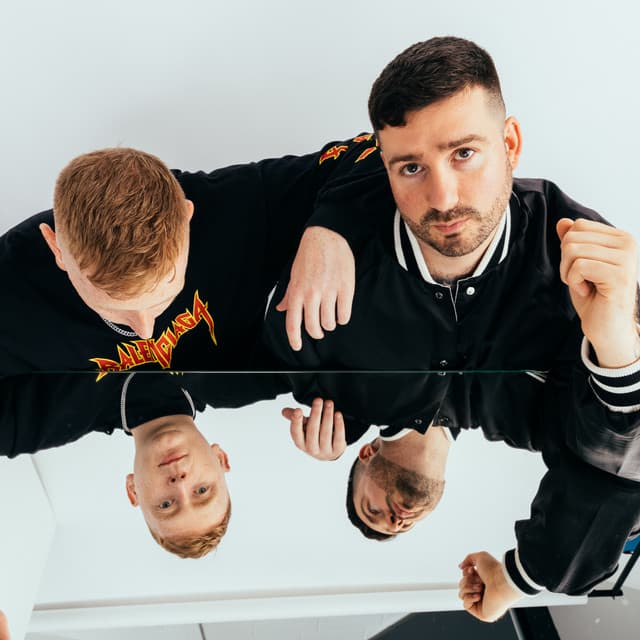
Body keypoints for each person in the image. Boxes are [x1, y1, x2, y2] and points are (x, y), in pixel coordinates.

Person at [282, 371, 640, 622]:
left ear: (366, 452)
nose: (396, 521)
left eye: (372, 509)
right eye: (403, 528)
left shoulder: (376, 386)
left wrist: (339, 412)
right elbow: (604, 487)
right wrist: (517, 578)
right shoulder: (527, 428)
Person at [0, 141, 359, 374]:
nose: (145, 330)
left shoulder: (232, 206)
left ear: (188, 218)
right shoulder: (10, 282)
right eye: (114, 308)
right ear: (56, 248)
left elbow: (370, 150)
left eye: (162, 297)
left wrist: (329, 230)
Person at [1, 372, 288, 557]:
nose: (180, 483)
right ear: (220, 458)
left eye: (166, 504)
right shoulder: (238, 375)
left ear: (133, 490)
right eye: (202, 491)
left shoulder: (32, 424)